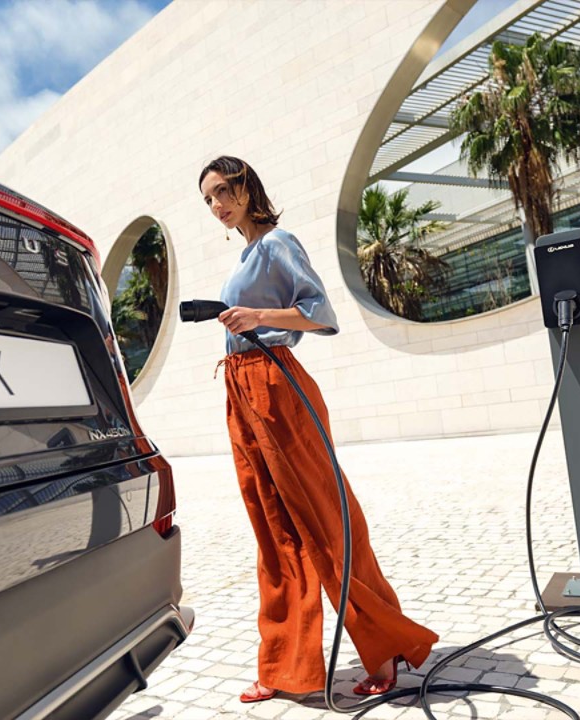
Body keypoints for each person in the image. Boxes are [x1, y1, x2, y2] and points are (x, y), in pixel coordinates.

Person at [198, 156, 438, 704]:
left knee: (326, 516)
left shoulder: (278, 242)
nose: (217, 205)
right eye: (208, 199)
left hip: (277, 384)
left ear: (245, 185)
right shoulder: (245, 254)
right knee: (272, 527)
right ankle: (285, 665)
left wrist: (258, 317)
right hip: (240, 387)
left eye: (223, 191)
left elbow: (321, 311)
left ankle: (381, 649)